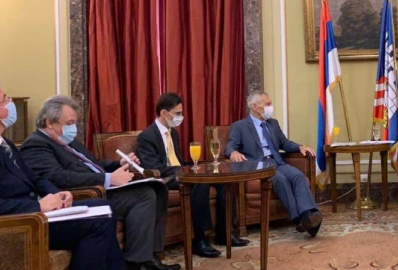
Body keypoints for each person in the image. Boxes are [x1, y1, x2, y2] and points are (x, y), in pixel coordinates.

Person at [0, 81, 152, 270]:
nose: (11, 103)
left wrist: (57, 194)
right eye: (5, 99)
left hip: (35, 216)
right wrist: (37, 207)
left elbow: (35, 179)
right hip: (19, 225)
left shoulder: (4, 143)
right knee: (96, 223)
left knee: (103, 208)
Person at [21, 95, 178, 270]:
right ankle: (134, 266)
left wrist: (119, 164)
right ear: (49, 123)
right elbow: (58, 178)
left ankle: (150, 255)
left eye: (74, 123)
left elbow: (95, 165)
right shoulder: (36, 144)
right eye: (69, 123)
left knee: (157, 188)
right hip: (85, 195)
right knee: (143, 195)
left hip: (101, 187)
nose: (73, 128)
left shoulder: (68, 141)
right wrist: (108, 179)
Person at [137, 92, 246, 258]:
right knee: (200, 183)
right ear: (164, 113)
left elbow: (178, 160)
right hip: (163, 178)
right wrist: (185, 172)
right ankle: (200, 239)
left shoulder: (173, 133)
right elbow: (154, 167)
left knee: (223, 180)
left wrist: (193, 168)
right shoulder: (146, 136)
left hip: (180, 173)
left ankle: (224, 233)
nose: (181, 117)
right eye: (177, 113)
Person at [225, 91, 322, 236]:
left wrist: (300, 147)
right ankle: (299, 219)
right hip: (258, 165)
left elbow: (285, 143)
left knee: (298, 176)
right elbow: (230, 147)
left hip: (277, 161)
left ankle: (309, 214)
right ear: (254, 106)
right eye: (268, 104)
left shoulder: (273, 123)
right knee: (280, 180)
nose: (271, 107)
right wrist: (233, 152)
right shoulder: (239, 126)